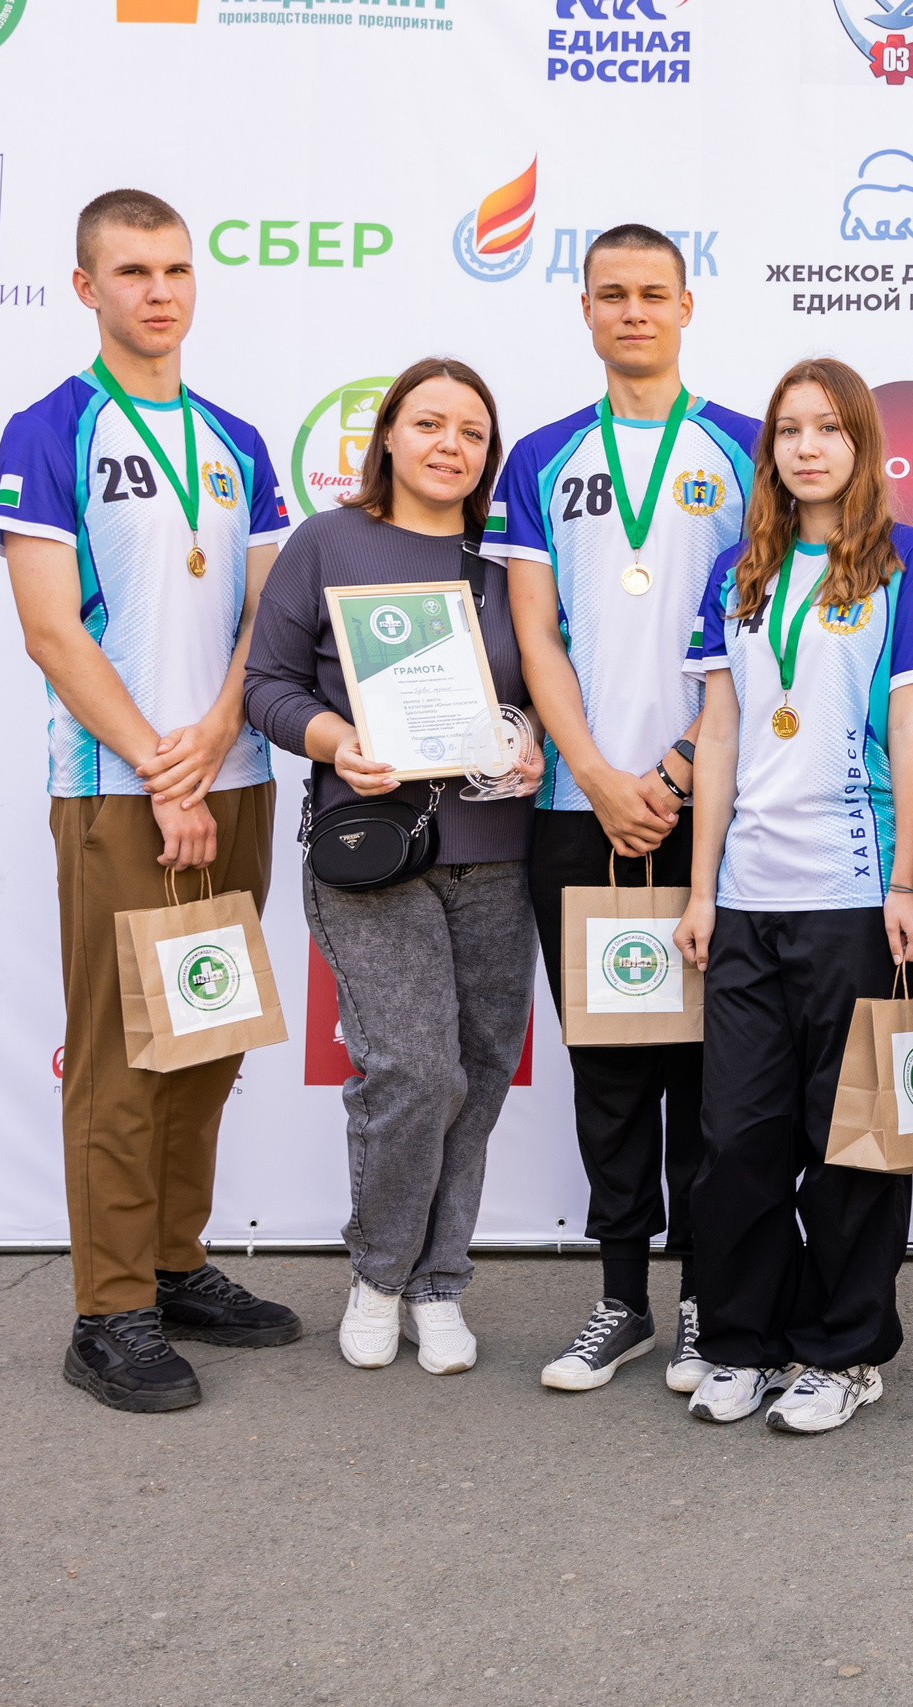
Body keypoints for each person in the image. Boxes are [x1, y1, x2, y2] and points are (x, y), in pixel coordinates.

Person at [0, 188, 300, 1414]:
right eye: (131, 271)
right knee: (123, 1055)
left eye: (174, 269)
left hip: (238, 780)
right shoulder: (48, 429)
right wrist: (159, 768)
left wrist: (217, 736)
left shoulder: (238, 439)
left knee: (209, 1041)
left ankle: (175, 1264)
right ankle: (108, 1309)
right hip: (116, 792)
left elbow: (267, 613)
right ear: (87, 287)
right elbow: (50, 630)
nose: (158, 291)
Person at [487, 225, 759, 1395]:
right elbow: (534, 633)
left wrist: (682, 771)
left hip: (714, 810)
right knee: (607, 1071)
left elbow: (762, 632)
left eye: (654, 293)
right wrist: (598, 775)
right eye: (612, 294)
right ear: (586, 310)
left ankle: (702, 1304)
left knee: (707, 1071)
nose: (633, 311)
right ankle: (618, 1303)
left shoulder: (749, 448)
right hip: (577, 806)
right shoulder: (541, 457)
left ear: (687, 306)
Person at [673, 358, 913, 1434]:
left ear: (861, 444)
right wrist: (701, 891)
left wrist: (905, 880)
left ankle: (843, 1352)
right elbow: (719, 734)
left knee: (854, 1145)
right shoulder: (736, 572)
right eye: (789, 429)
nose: (806, 447)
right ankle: (743, 1341)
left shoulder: (911, 564)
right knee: (738, 1140)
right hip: (748, 899)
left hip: (857, 895)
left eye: (828, 428)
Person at [244, 357, 542, 1378]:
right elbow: (268, 684)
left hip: (497, 853)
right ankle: (378, 1275)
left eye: (472, 431)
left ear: (488, 455)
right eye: (428, 423)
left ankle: (439, 1284)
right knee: (414, 1070)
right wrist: (336, 740)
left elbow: (552, 681)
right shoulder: (327, 542)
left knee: (481, 1074)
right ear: (387, 436)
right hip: (372, 851)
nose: (450, 444)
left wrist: (531, 736)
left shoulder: (508, 559)